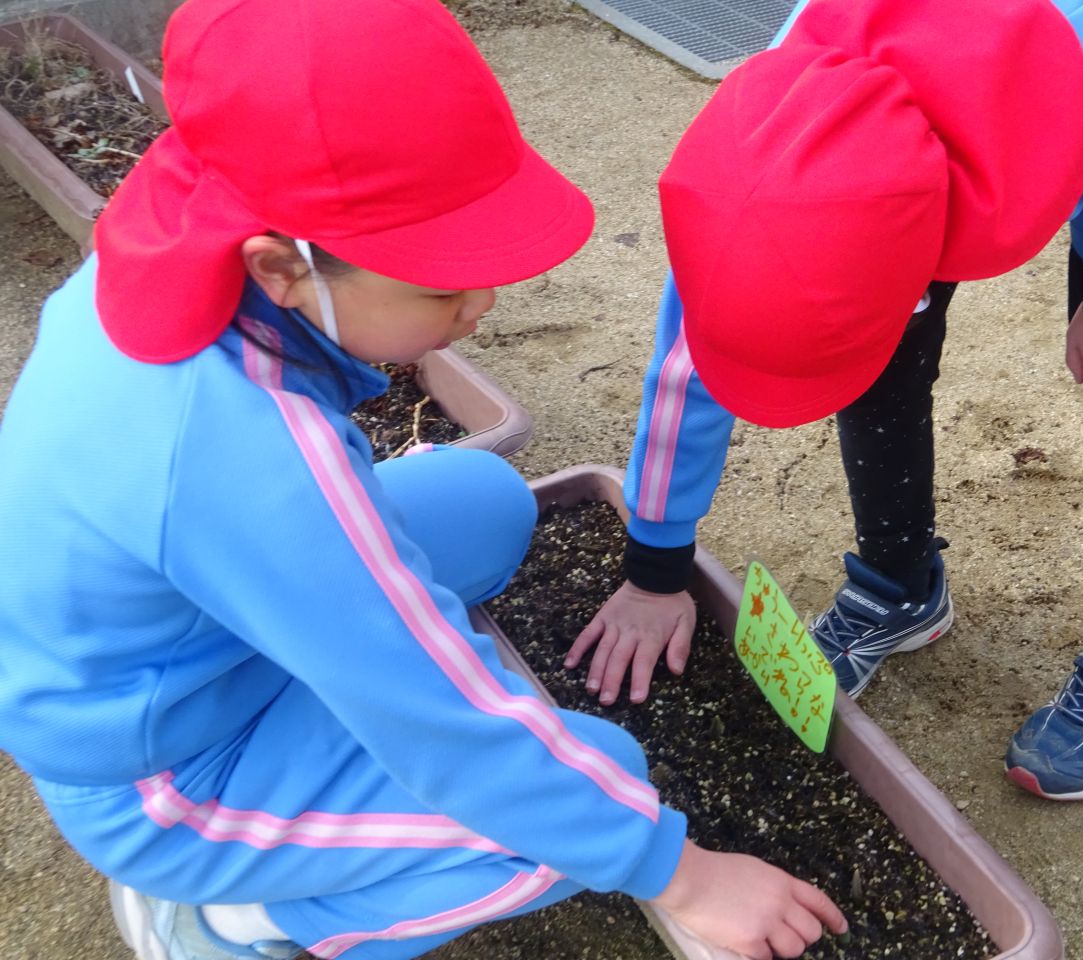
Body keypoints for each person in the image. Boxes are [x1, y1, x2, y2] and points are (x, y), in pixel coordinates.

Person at [0, 1, 847, 958]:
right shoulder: (249, 454)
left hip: (194, 643)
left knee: (486, 502)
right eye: (440, 284)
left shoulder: (174, 251)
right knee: (596, 794)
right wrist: (682, 872)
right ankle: (233, 921)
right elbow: (432, 718)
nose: (483, 303)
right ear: (279, 267)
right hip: (167, 770)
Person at [570, 0, 1083, 801]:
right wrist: (655, 569)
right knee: (881, 357)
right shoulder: (763, 149)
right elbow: (697, 354)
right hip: (919, 134)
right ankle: (898, 583)